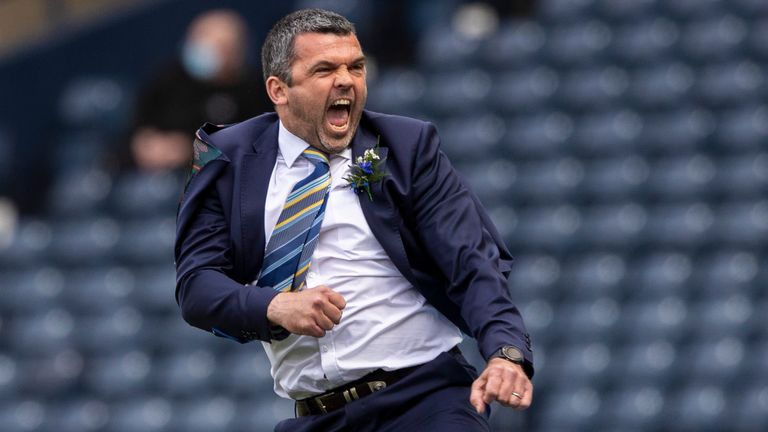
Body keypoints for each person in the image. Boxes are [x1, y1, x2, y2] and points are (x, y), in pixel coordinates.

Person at [175, 9, 533, 431]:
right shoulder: (228, 157)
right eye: (325, 69)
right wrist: (274, 305)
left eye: (356, 67)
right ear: (278, 89)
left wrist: (505, 350)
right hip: (316, 416)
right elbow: (197, 286)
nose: (346, 80)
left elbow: (472, 262)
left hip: (426, 400)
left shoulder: (406, 148)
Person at [125, 9, 269, 172]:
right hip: (149, 170)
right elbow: (139, 125)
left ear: (237, 52)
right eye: (200, 39)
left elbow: (251, 147)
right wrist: (145, 144)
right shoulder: (168, 78)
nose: (205, 50)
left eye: (218, 46)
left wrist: (189, 151)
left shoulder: (255, 90)